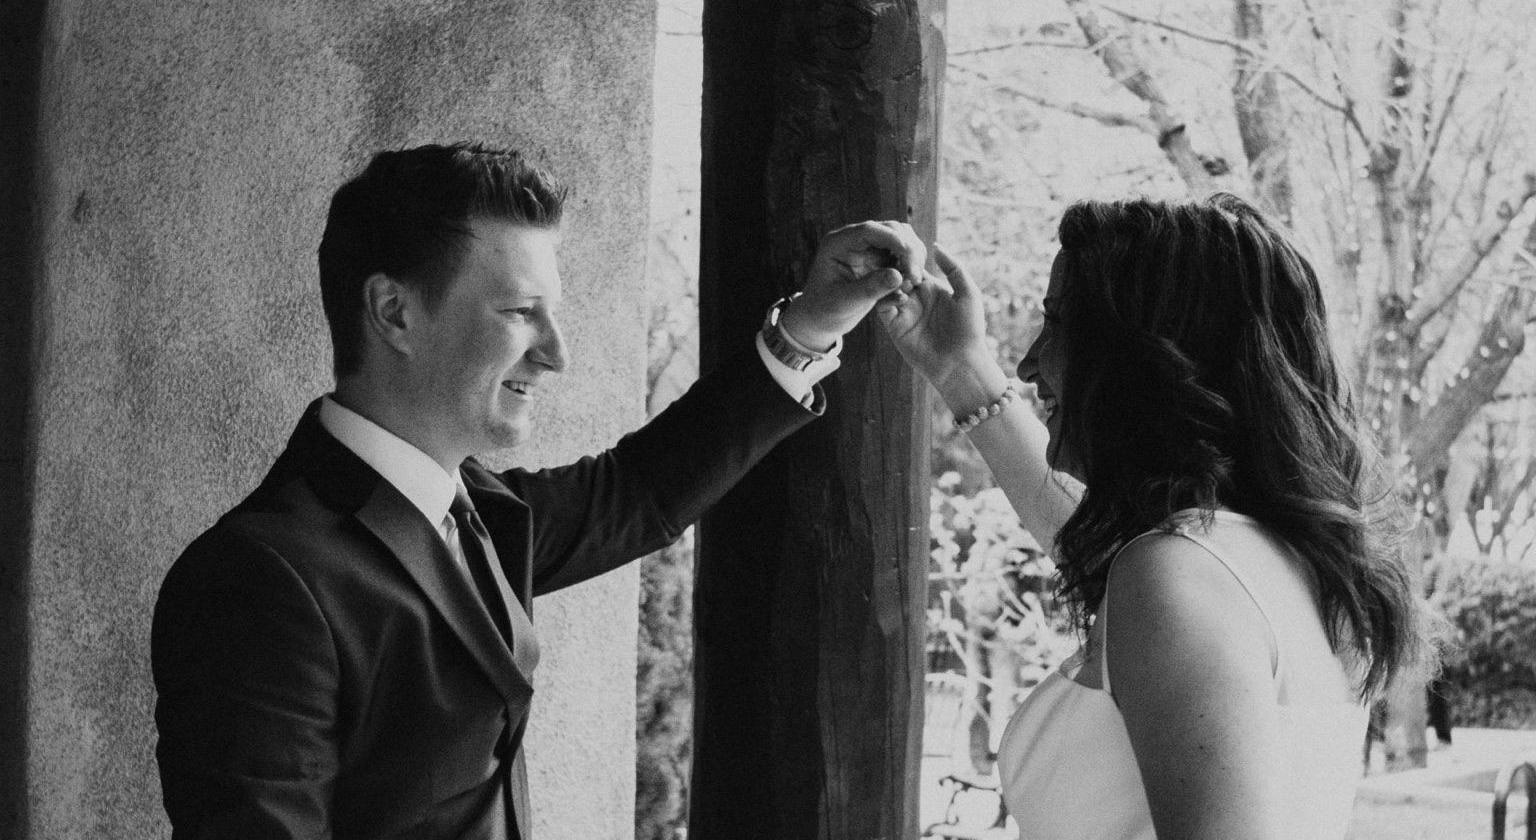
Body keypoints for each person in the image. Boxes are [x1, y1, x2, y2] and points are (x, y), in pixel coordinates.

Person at [151, 142, 924, 840]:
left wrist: (809, 326)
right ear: (394, 312)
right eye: (522, 313)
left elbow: (640, 493)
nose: (556, 353)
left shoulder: (478, 512)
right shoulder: (260, 580)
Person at [878, 193, 1423, 840]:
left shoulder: (1177, 572)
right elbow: (1083, 538)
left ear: (1141, 357)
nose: (1029, 361)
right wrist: (958, 365)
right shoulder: (1263, 557)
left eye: (1060, 324)